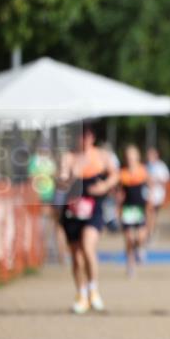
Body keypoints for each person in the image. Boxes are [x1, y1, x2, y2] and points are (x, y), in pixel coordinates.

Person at [56, 122, 119, 314]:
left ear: (93, 137)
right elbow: (60, 182)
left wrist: (105, 186)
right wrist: (71, 176)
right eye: (81, 135)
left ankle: (93, 289)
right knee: (76, 255)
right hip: (73, 210)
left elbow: (115, 174)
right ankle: (81, 294)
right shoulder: (68, 157)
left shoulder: (101, 156)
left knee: (88, 246)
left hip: (93, 208)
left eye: (88, 135)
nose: (84, 139)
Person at [118, 145, 150, 278]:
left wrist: (150, 200)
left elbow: (149, 187)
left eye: (133, 156)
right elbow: (118, 192)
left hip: (140, 209)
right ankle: (130, 266)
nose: (131, 159)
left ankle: (140, 249)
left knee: (140, 237)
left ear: (137, 157)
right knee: (129, 239)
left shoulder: (143, 171)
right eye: (128, 156)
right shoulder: (122, 173)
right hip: (127, 209)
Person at [145, 147, 170, 242]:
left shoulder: (161, 166)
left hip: (157, 194)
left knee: (153, 213)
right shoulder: (145, 165)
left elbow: (165, 179)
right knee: (148, 211)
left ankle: (150, 231)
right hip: (147, 193)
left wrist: (155, 180)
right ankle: (149, 231)